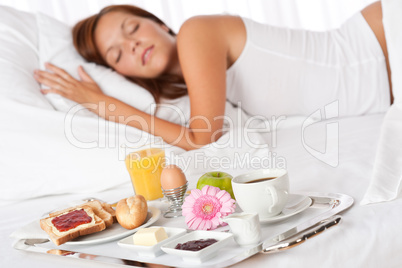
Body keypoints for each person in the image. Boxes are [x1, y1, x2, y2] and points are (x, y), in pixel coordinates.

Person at [33, 1, 392, 151]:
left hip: (385, 42)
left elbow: (202, 138)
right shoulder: (197, 88)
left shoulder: (196, 33)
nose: (132, 45)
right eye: (117, 53)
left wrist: (101, 103)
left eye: (132, 27)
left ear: (157, 22)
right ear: (119, 72)